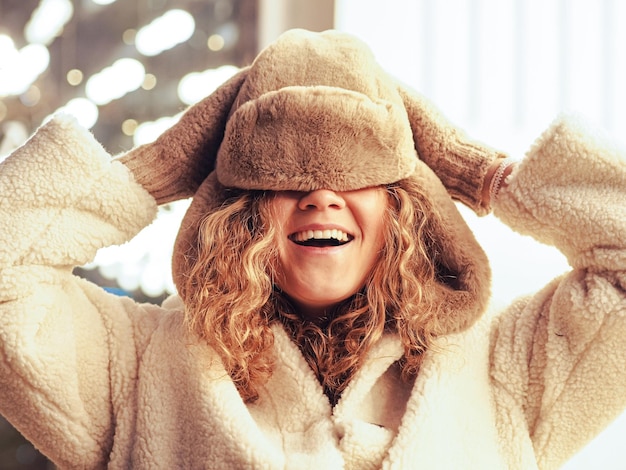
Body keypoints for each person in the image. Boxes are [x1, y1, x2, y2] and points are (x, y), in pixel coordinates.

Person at [0, 28, 625, 470]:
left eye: (355, 169)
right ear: (240, 209)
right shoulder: (134, 370)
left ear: (403, 208)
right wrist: (153, 171)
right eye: (285, 171)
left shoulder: (504, 368)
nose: (321, 195)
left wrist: (477, 171)